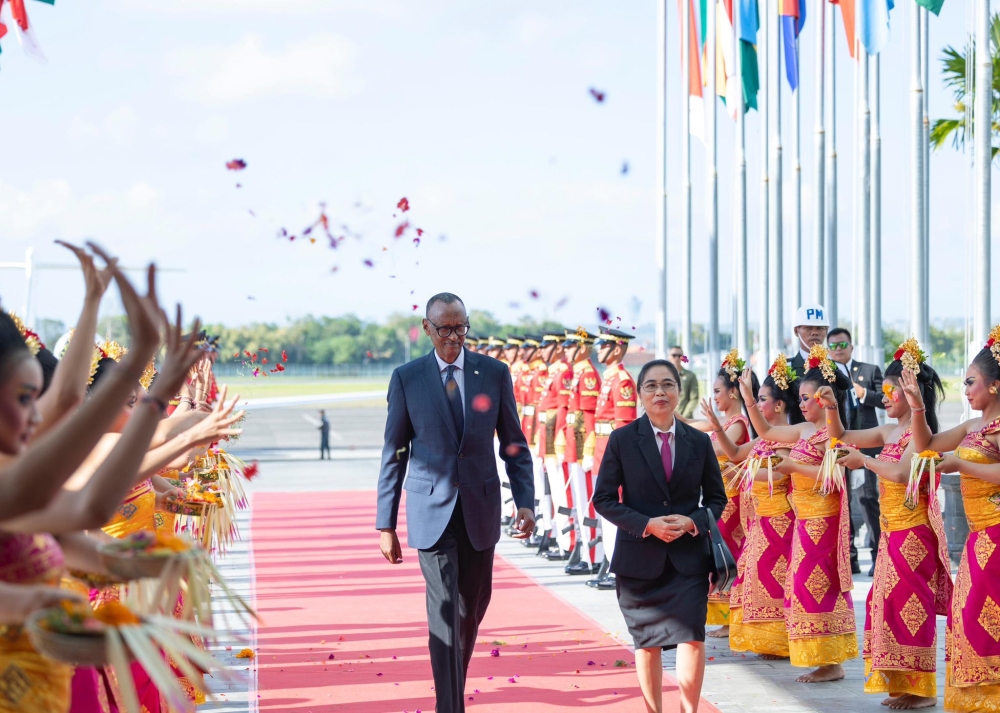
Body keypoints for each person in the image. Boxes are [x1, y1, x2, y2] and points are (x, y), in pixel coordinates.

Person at [375, 292, 536, 713]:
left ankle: (452, 688)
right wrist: (385, 523)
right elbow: (395, 451)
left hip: (480, 510)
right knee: (445, 611)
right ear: (427, 328)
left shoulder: (494, 373)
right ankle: (450, 706)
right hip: (431, 511)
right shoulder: (407, 378)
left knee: (471, 610)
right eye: (444, 328)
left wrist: (525, 502)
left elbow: (514, 443)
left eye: (460, 327)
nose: (453, 336)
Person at [593, 359, 727, 713]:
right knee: (647, 643)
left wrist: (692, 521)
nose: (660, 392)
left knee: (692, 637)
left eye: (667, 384)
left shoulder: (698, 442)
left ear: (679, 392)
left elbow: (717, 499)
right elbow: (603, 499)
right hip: (639, 560)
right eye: (651, 386)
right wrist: (647, 524)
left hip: (689, 560)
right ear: (639, 395)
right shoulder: (622, 440)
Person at [838, 339, 950, 710]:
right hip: (891, 534)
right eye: (882, 391)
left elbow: (902, 473)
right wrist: (829, 405)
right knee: (884, 604)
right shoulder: (889, 432)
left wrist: (864, 462)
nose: (884, 397)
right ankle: (906, 683)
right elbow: (842, 437)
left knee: (909, 606)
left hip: (914, 533)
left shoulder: (920, 436)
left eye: (891, 391)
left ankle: (923, 690)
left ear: (911, 392)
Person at [739, 346, 856, 683]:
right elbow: (765, 433)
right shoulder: (803, 431)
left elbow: (832, 475)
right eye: (801, 398)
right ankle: (822, 657)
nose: (801, 404)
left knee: (818, 584)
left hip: (824, 519)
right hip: (804, 519)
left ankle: (832, 662)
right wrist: (749, 399)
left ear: (824, 399)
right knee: (803, 585)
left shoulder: (832, 435)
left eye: (807, 398)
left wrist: (790, 465)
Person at [910, 326, 1000, 712]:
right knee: (968, 618)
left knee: (985, 617)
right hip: (980, 536)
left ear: (994, 386)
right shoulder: (971, 426)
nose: (965, 389)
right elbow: (926, 446)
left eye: (971, 381)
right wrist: (916, 405)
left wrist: (962, 463)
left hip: (996, 533)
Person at [705, 354, 802, 660]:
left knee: (773, 578)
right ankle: (768, 640)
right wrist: (716, 427)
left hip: (780, 519)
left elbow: (782, 469)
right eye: (755, 400)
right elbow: (734, 453)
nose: (758, 406)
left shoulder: (786, 438)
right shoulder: (765, 438)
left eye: (762, 400)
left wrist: (748, 471)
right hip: (759, 520)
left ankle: (781, 641)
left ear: (779, 405)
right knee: (751, 575)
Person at [677, 349, 756, 638]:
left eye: (718, 391)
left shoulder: (739, 424)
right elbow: (693, 427)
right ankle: (724, 616)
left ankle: (730, 618)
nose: (715, 397)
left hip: (734, 498)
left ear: (735, 393)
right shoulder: (721, 424)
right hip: (720, 498)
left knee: (731, 552)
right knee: (720, 551)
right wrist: (676, 416)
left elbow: (722, 449)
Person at [828, 327, 885, 576]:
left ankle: (876, 556)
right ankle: (849, 558)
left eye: (843, 345)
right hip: (837, 447)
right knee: (842, 504)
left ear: (851, 346)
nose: (838, 350)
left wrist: (863, 393)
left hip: (866, 446)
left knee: (868, 500)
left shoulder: (868, 370)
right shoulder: (826, 374)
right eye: (834, 346)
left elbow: (885, 397)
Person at [584, 327, 637, 590]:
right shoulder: (609, 378)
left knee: (613, 510)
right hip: (601, 448)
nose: (598, 349)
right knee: (604, 510)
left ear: (617, 348)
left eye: (603, 345)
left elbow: (623, 424)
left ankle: (618, 570)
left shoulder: (623, 380)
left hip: (611, 451)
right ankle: (609, 564)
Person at [561, 330, 601, 575]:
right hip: (572, 439)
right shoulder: (578, 372)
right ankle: (586, 550)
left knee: (587, 500)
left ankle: (594, 556)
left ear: (583, 347)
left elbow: (590, 414)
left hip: (581, 441)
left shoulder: (588, 375)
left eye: (571, 346)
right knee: (577, 498)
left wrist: (589, 444)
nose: (566, 350)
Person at [789, 305, 830, 378]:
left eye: (820, 328)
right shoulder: (783, 369)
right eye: (808, 328)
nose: (815, 332)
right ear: (796, 331)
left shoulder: (836, 368)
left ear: (826, 331)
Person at [670, 346, 700, 419]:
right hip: (666, 419)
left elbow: (694, 398)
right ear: (669, 357)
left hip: (685, 419)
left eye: (679, 356)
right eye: (674, 355)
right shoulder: (663, 376)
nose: (677, 358)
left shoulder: (690, 376)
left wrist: (683, 418)